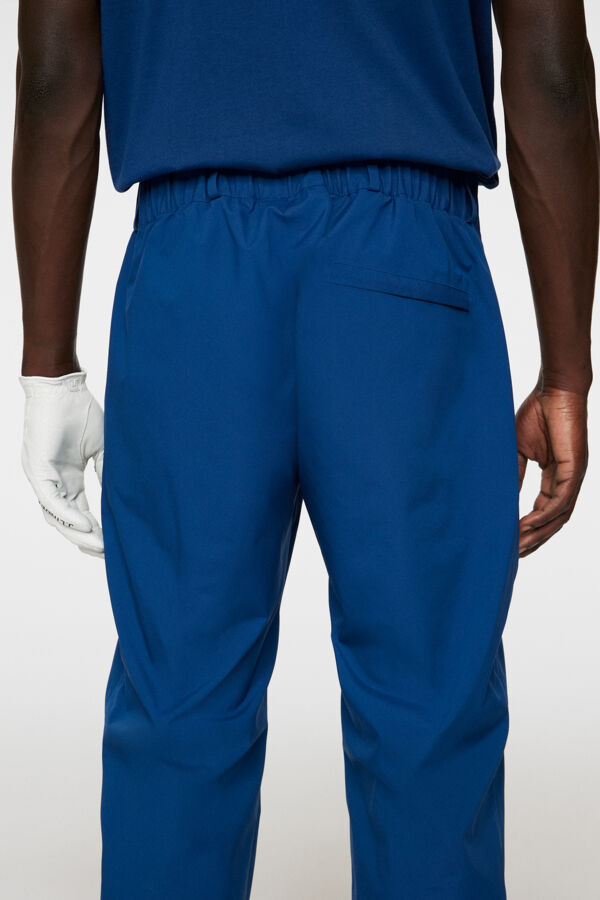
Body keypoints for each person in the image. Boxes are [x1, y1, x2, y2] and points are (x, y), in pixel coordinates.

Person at [13, 0, 598, 897]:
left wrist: (49, 363)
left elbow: (55, 67)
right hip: (405, 271)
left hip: (192, 276)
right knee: (429, 709)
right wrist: (567, 370)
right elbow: (549, 61)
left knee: (179, 708)